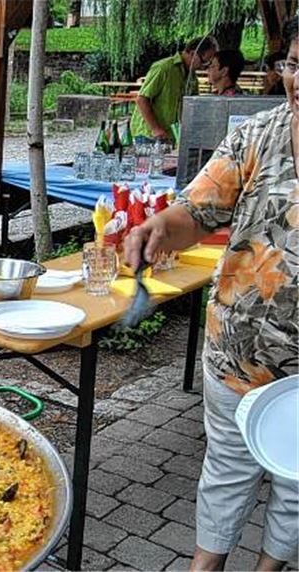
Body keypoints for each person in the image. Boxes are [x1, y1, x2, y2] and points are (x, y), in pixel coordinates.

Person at [124, 17, 299, 572]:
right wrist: (157, 231)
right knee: (226, 468)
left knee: (296, 483)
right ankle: (206, 566)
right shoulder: (256, 133)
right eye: (294, 64)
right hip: (237, 350)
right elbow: (195, 213)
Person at [131, 35, 218, 145]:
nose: (204, 67)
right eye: (204, 62)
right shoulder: (164, 68)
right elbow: (142, 99)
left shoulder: (192, 77)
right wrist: (156, 128)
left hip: (172, 136)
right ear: (192, 53)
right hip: (149, 135)